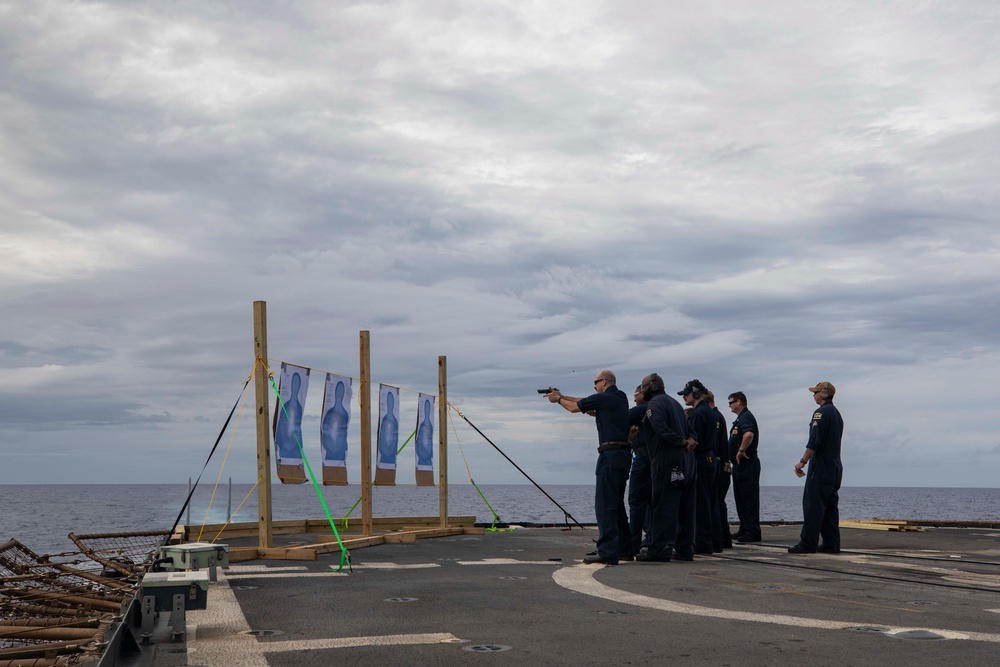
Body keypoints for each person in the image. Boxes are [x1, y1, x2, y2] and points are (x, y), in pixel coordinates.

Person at [546, 370, 631, 565]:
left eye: (595, 383)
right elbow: (585, 401)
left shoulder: (606, 398)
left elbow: (576, 407)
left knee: (605, 505)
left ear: (603, 381)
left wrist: (558, 401)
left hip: (609, 456)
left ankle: (608, 552)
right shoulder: (619, 398)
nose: (594, 386)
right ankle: (624, 549)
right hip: (623, 456)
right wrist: (562, 395)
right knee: (617, 505)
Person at [636, 373, 695, 562]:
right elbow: (690, 429)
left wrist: (681, 442)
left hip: (667, 461)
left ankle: (659, 550)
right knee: (685, 507)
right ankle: (685, 549)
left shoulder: (654, 405)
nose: (642, 390)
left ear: (653, 387)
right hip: (686, 462)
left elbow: (660, 429)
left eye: (644, 386)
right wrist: (690, 441)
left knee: (663, 506)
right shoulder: (676, 405)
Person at [789, 381, 844, 554]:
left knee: (813, 504)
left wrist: (803, 461)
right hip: (835, 466)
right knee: (830, 506)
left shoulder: (820, 413)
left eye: (816, 392)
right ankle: (831, 543)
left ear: (824, 394)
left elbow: (815, 441)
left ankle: (808, 543)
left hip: (821, 466)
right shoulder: (837, 414)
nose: (813, 395)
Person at [680, 379, 723, 554]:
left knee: (700, 503)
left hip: (701, 460)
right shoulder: (710, 412)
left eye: (687, 394)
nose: (684, 398)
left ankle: (703, 542)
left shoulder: (698, 414)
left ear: (696, 393)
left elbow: (694, 440)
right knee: (711, 502)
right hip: (711, 460)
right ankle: (715, 541)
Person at [728, 391, 762, 543]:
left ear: (739, 402)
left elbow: (748, 434)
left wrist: (741, 450)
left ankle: (753, 531)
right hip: (740, 465)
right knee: (741, 498)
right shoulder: (740, 418)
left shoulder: (746, 417)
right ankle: (745, 528)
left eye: (731, 402)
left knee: (749, 498)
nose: (729, 405)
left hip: (747, 462)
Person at [627, 385, 652, 557]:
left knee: (635, 500)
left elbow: (620, 418)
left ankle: (632, 544)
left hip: (643, 458)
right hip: (653, 459)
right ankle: (650, 537)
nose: (635, 399)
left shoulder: (642, 409)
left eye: (636, 395)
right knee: (650, 501)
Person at [706, 391, 733, 549]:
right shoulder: (719, 416)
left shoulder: (714, 417)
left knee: (716, 503)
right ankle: (723, 537)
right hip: (723, 465)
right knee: (718, 503)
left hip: (717, 465)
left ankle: (722, 537)